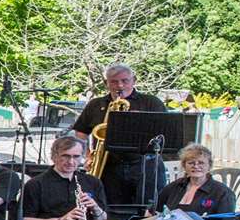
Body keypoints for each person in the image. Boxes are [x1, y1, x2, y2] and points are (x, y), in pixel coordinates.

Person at [72, 64, 168, 209]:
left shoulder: (151, 102)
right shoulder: (95, 105)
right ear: (106, 83)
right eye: (114, 82)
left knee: (149, 209)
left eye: (125, 81)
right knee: (109, 208)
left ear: (134, 80)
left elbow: (165, 132)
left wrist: (141, 121)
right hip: (109, 167)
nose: (120, 85)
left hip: (144, 165)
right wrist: (88, 155)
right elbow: (80, 133)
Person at [20, 135, 114, 220]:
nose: (71, 161)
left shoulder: (92, 182)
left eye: (76, 157)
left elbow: (103, 219)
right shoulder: (36, 184)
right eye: (65, 156)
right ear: (54, 156)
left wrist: (95, 207)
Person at [155, 144, 238, 216]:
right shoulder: (173, 187)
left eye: (201, 163)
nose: (196, 166)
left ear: (209, 166)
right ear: (184, 166)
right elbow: (156, 211)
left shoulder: (223, 193)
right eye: (191, 163)